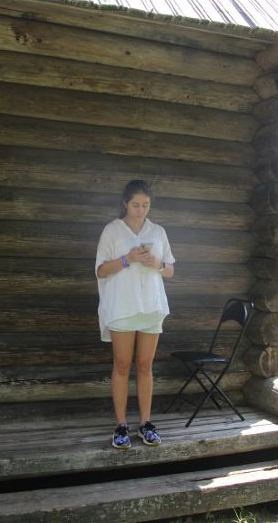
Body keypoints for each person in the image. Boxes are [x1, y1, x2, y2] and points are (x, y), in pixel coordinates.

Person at [96, 180, 175, 449]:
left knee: (145, 366)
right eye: (136, 205)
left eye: (146, 205)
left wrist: (157, 263)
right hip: (122, 307)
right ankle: (121, 426)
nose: (141, 210)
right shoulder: (112, 230)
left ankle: (145, 423)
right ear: (125, 203)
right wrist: (127, 259)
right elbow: (100, 271)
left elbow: (170, 270)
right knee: (121, 365)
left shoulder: (158, 231)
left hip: (151, 306)